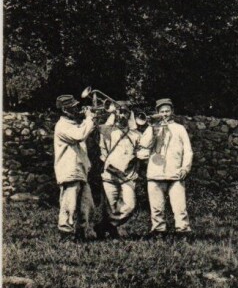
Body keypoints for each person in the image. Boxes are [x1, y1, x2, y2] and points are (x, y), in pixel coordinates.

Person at [139, 98, 193, 235]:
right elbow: (144, 146)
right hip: (155, 173)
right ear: (157, 112)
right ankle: (158, 231)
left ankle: (183, 232)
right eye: (162, 111)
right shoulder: (151, 128)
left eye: (167, 111)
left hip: (175, 173)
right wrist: (152, 128)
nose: (165, 114)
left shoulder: (180, 128)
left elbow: (188, 151)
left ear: (172, 111)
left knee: (180, 208)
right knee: (156, 208)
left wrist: (185, 168)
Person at [95, 104, 144, 239]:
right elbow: (103, 148)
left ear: (130, 115)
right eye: (119, 113)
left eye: (125, 113)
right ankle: (111, 231)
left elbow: (140, 154)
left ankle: (104, 225)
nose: (122, 116)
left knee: (129, 206)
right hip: (110, 175)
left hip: (127, 176)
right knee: (110, 207)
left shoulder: (136, 135)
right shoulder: (108, 131)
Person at [53, 94, 96, 240]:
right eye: (74, 107)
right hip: (69, 171)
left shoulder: (74, 124)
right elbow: (79, 136)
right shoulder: (62, 126)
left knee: (87, 205)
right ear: (65, 110)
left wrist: (90, 120)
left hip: (80, 171)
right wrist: (89, 118)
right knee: (69, 204)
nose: (77, 109)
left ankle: (82, 233)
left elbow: (83, 135)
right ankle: (65, 233)